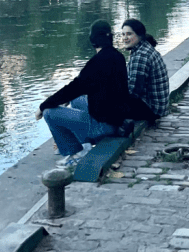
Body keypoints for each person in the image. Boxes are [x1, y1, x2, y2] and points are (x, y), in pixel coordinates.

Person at [35, 20, 129, 169]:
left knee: (49, 113)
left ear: (92, 40)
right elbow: (85, 87)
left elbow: (74, 87)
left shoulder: (96, 62)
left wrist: (44, 105)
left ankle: (73, 153)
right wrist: (65, 98)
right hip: (117, 119)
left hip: (103, 126)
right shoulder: (118, 56)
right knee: (77, 99)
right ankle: (80, 142)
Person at [121, 18, 170, 124]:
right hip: (157, 106)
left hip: (152, 110)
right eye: (123, 34)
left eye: (129, 34)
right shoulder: (144, 48)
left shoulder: (140, 55)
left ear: (139, 35)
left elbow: (133, 91)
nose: (125, 38)